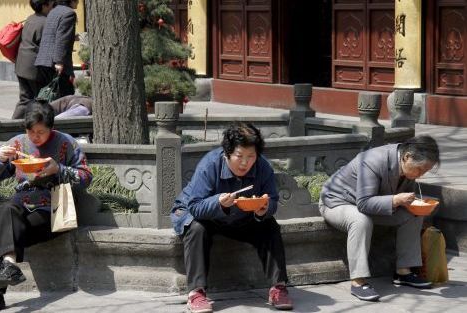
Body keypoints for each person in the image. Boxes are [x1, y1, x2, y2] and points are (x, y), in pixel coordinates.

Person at [0, 99, 92, 313]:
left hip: (52, 210)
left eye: (41, 132)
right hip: (20, 205)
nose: (35, 137)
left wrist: (59, 170)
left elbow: (86, 177)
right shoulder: (17, 143)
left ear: (51, 128)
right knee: (8, 211)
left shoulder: (66, 143)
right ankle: (8, 267)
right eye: (31, 131)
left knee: (9, 226)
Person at [171, 122, 294, 313]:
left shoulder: (263, 167)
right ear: (227, 153)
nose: (245, 162)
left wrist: (264, 208)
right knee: (196, 228)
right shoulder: (210, 165)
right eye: (239, 156)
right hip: (205, 216)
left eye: (251, 156)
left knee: (270, 226)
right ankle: (196, 292)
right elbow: (194, 206)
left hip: (242, 217)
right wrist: (218, 203)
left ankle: (278, 287)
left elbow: (273, 200)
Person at [318, 135, 440, 302]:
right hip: (337, 202)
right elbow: (363, 203)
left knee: (414, 214)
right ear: (407, 157)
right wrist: (396, 200)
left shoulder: (406, 164)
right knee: (361, 220)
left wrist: (411, 203)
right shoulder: (372, 160)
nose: (421, 175)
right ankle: (358, 282)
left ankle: (403, 272)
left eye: (425, 171)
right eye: (420, 170)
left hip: (372, 205)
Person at [12, 0, 56, 119]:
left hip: (21, 65)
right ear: (44, 5)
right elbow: (46, 46)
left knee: (25, 99)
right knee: (40, 100)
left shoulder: (30, 18)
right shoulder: (46, 22)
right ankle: (37, 127)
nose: (53, 5)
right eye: (52, 3)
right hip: (35, 68)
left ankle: (11, 126)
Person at [34, 0, 79, 98]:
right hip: (55, 64)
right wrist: (59, 62)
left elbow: (54, 34)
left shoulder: (53, 11)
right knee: (61, 97)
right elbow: (62, 39)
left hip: (43, 61)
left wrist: (72, 37)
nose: (78, 2)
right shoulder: (69, 13)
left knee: (47, 96)